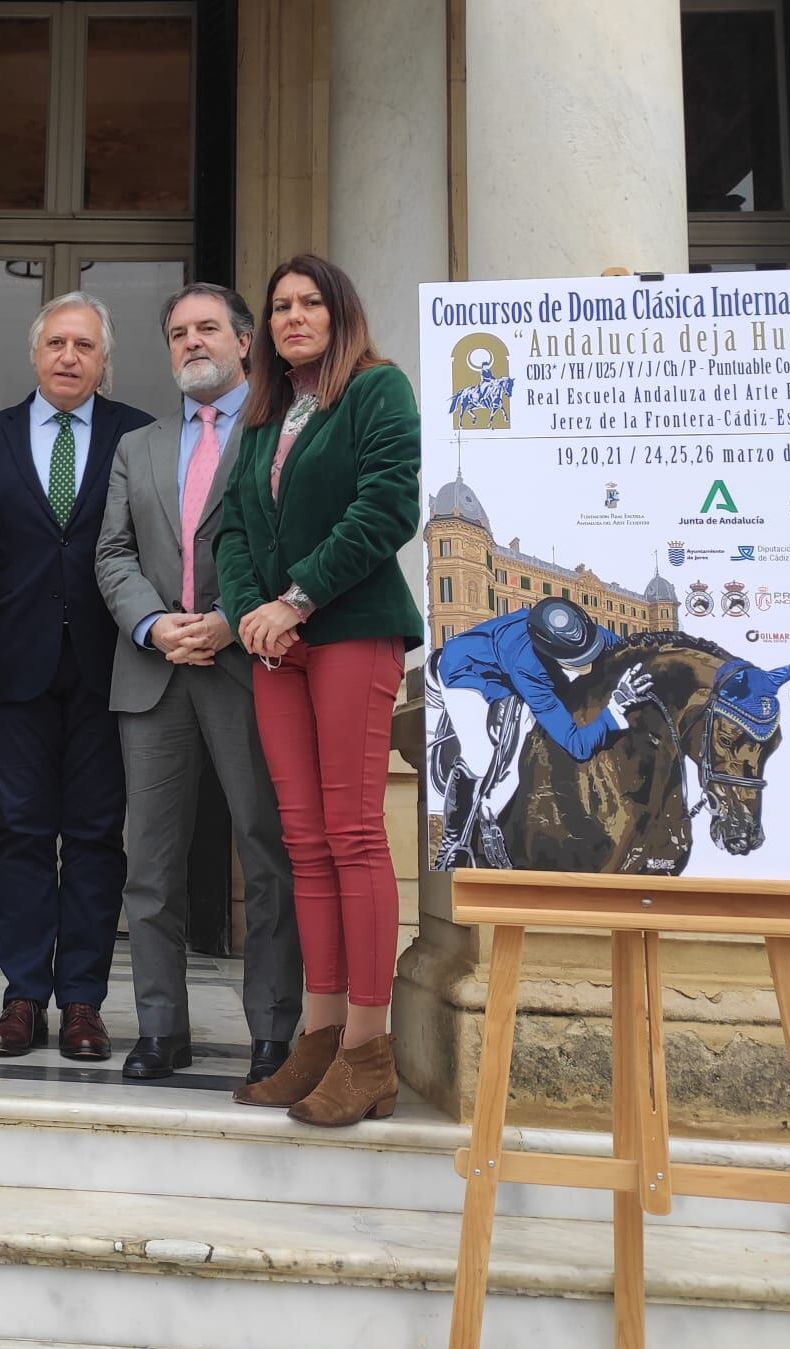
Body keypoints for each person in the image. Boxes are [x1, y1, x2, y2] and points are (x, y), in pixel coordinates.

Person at [214, 253, 422, 1127]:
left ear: (339, 313)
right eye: (278, 307)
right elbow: (225, 524)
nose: (291, 317)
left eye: (309, 304)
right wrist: (250, 612)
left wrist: (295, 598)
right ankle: (321, 1028)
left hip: (348, 627)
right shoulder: (264, 413)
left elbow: (386, 507)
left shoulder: (377, 391)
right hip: (276, 647)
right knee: (302, 841)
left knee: (351, 833)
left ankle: (369, 1049)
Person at [96, 284, 301, 1083]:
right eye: (177, 332)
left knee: (266, 852)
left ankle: (273, 1033)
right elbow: (111, 553)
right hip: (151, 670)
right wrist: (153, 623)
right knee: (148, 864)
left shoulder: (282, 429)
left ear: (244, 342)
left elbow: (289, 543)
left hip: (249, 662)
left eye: (207, 328)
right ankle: (159, 1029)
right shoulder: (138, 447)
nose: (191, 343)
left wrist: (226, 618)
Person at [0, 293, 154, 1060]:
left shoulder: (139, 435)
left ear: (105, 361)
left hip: (115, 670)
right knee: (23, 834)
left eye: (85, 347)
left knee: (98, 837)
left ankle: (82, 1003)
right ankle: (21, 997)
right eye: (57, 343)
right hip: (12, 669)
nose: (69, 357)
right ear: (34, 354)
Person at [428, 598, 654, 869]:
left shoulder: (590, 636)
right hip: (466, 672)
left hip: (507, 659)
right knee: (480, 756)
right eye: (578, 662)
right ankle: (453, 843)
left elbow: (629, 654)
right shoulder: (528, 668)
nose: (589, 666)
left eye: (591, 652)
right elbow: (577, 745)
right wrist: (614, 711)